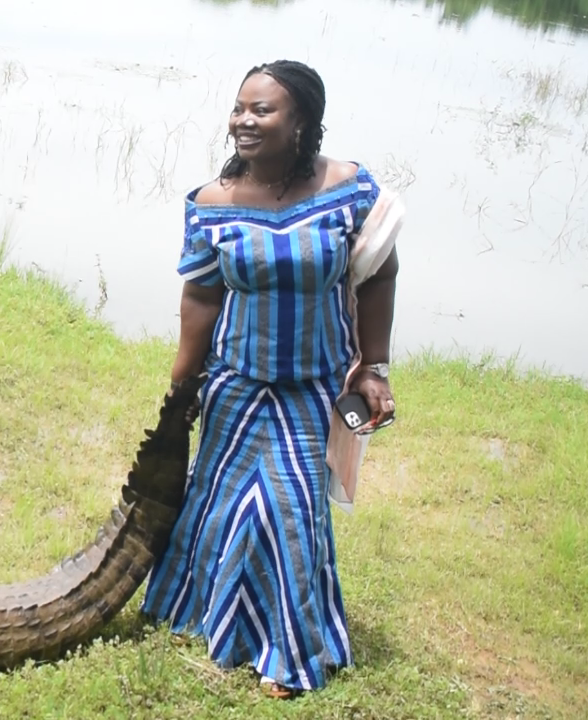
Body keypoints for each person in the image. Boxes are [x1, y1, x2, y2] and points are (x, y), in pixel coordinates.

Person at [139, 59, 400, 699]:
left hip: (312, 388)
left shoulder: (349, 190)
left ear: (302, 120)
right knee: (220, 504)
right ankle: (205, 614)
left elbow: (382, 274)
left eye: (262, 110)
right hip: (236, 382)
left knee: (289, 512)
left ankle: (289, 653)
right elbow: (200, 299)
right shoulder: (211, 204)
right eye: (239, 109)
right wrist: (182, 385)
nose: (244, 121)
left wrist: (374, 366)